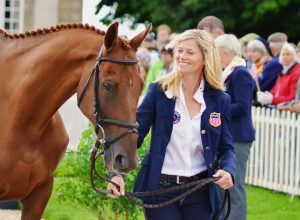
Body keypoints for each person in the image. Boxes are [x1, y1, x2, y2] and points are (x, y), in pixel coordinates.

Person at [107, 29, 236, 220]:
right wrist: (117, 174)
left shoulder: (220, 99)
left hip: (200, 191)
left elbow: (226, 147)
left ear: (205, 59)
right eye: (180, 50)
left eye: (189, 52)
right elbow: (134, 137)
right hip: (160, 189)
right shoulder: (159, 91)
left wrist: (229, 171)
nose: (181, 56)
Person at [215, 34, 255, 220]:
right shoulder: (230, 72)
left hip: (239, 137)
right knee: (222, 185)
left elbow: (242, 106)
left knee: (234, 186)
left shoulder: (240, 73)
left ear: (225, 53)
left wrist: (218, 111)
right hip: (229, 136)